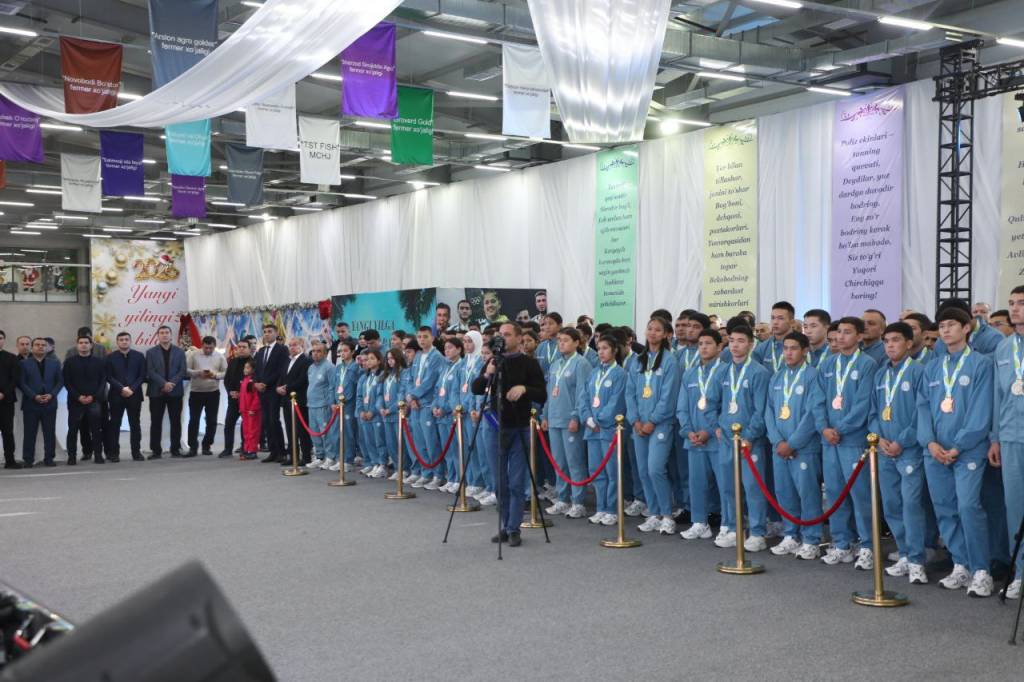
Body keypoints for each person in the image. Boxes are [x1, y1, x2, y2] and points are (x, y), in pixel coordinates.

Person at [918, 306, 994, 597]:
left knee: (968, 507)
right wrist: (930, 442)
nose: (946, 330)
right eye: (942, 326)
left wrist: (958, 445)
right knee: (945, 508)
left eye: (952, 324)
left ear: (966, 328)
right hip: (936, 451)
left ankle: (982, 570)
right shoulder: (933, 367)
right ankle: (961, 564)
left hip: (967, 451)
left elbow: (981, 410)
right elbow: (923, 408)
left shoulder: (981, 364)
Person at [471, 322, 546, 547]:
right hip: (495, 427)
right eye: (500, 335)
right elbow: (476, 388)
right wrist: (488, 374)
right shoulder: (494, 361)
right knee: (499, 482)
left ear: (519, 338)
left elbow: (541, 394)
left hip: (519, 427)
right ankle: (505, 525)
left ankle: (514, 528)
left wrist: (524, 389)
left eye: (507, 334)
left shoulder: (529, 363)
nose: (503, 338)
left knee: (516, 481)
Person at [868, 322, 928, 585]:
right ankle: (904, 553)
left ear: (909, 343)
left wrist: (902, 441)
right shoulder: (881, 375)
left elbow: (921, 414)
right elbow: (873, 412)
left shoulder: (919, 372)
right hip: (884, 450)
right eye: (886, 341)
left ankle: (917, 560)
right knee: (891, 504)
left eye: (895, 340)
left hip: (909, 451)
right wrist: (879, 438)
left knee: (911, 504)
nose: (890, 345)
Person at [817, 316, 878, 568]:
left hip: (853, 440)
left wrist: (840, 428)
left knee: (861, 495)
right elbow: (818, 400)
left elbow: (864, 403)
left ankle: (868, 545)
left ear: (860, 336)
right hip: (830, 441)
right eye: (839, 332)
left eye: (847, 332)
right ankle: (842, 543)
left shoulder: (867, 364)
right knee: (834, 493)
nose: (841, 337)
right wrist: (824, 428)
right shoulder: (827, 364)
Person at [764, 332, 825, 559]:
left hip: (803, 448)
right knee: (784, 492)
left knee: (808, 494)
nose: (788, 353)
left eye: (794, 348)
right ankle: (791, 535)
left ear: (805, 351)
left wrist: (792, 443)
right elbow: (769, 412)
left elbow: (812, 414)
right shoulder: (777, 377)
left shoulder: (813, 376)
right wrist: (777, 441)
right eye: (785, 348)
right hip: (779, 447)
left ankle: (812, 539)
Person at [711, 322, 770, 550]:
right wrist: (716, 425)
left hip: (749, 441)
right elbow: (712, 401)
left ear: (751, 344)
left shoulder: (759, 372)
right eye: (732, 341)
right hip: (727, 439)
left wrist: (750, 436)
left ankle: (757, 532)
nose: (735, 345)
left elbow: (760, 410)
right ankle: (734, 528)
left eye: (741, 341)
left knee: (752, 487)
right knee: (728, 486)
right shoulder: (722, 371)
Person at [628, 317, 681, 536]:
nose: (652, 333)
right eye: (649, 328)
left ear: (667, 334)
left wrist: (652, 421)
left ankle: (667, 515)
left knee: (655, 469)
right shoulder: (638, 360)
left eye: (658, 330)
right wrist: (635, 420)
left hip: (660, 424)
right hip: (639, 425)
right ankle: (654, 513)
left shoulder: (670, 361)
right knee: (643, 470)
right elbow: (630, 392)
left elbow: (669, 396)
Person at [990, 285, 1024, 599]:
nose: (1014, 308)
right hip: (1012, 437)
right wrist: (995, 438)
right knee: (1015, 506)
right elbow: (997, 398)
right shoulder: (1003, 348)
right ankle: (1021, 572)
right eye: (1012, 303)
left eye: (1021, 303)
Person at [677, 328, 723, 540]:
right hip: (694, 439)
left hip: (717, 439)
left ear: (719, 347)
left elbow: (726, 407)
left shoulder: (726, 371)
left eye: (708, 343)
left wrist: (709, 431)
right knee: (697, 483)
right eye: (700, 344)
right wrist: (688, 431)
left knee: (724, 484)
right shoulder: (690, 373)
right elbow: (682, 407)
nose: (703, 348)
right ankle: (699, 522)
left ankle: (729, 524)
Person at [540, 328, 591, 519]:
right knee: (559, 462)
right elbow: (549, 392)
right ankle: (563, 498)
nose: (561, 343)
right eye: (560, 340)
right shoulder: (556, 364)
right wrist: (545, 415)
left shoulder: (581, 363)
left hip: (570, 419)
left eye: (566, 340)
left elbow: (582, 393)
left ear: (577, 342)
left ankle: (578, 502)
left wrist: (576, 417)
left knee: (574, 461)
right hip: (554, 418)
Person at [578, 334, 627, 526]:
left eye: (605, 348)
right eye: (598, 348)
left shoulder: (620, 374)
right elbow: (583, 397)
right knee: (596, 470)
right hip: (592, 430)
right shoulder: (594, 373)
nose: (601, 352)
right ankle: (601, 508)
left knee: (612, 471)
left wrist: (599, 420)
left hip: (609, 431)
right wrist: (588, 418)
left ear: (614, 350)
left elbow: (617, 402)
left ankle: (612, 509)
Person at [407, 327, 445, 489]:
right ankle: (425, 472)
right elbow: (410, 378)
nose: (422, 340)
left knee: (431, 441)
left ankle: (438, 474)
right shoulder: (418, 356)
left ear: (432, 338)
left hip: (427, 404)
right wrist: (411, 396)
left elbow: (430, 381)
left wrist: (414, 395)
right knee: (419, 441)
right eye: (419, 337)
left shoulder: (437, 357)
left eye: (425, 336)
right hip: (415, 403)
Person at [63, 335, 107, 465]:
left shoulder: (99, 362)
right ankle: (72, 457)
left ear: (91, 345)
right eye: (81, 342)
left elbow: (102, 381)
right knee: (73, 430)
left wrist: (94, 396)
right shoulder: (70, 362)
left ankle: (98, 455)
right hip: (75, 401)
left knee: (96, 430)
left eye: (86, 342)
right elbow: (67, 382)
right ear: (77, 345)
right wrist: (78, 396)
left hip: (94, 401)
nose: (83, 345)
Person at [18, 338, 62, 468]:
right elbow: (21, 383)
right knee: (29, 433)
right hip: (31, 404)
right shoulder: (23, 364)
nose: (41, 347)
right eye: (37, 345)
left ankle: (49, 458)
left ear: (48, 348)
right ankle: (28, 459)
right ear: (32, 348)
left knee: (49, 432)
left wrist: (52, 394)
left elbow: (60, 381)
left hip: (49, 403)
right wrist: (34, 396)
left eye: (43, 345)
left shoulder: (55, 363)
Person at [145, 325, 186, 459]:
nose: (164, 335)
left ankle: (175, 449)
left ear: (171, 335)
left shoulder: (180, 352)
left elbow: (182, 371)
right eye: (161, 333)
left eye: (167, 332)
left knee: (176, 421)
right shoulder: (151, 352)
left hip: (175, 391)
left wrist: (171, 384)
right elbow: (150, 371)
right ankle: (156, 450)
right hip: (156, 391)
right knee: (156, 421)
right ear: (157, 336)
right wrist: (164, 383)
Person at [105, 332, 146, 462]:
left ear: (130, 341)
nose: (124, 341)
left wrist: (131, 389)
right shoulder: (110, 357)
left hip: (134, 395)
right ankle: (114, 453)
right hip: (116, 395)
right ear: (117, 342)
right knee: (115, 424)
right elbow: (108, 376)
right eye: (121, 340)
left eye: (126, 339)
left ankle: (136, 452)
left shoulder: (139, 356)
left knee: (135, 424)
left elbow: (142, 376)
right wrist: (121, 388)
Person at [431, 338, 464, 491]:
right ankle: (451, 477)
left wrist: (445, 408)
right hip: (441, 415)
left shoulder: (460, 367)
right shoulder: (445, 367)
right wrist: (434, 406)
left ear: (459, 349)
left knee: (456, 449)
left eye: (450, 347)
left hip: (451, 414)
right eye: (445, 348)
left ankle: (459, 479)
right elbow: (438, 389)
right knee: (447, 449)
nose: (447, 351)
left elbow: (455, 393)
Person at [185, 336, 226, 457]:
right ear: (202, 345)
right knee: (194, 420)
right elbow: (186, 370)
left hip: (213, 392)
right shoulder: (194, 355)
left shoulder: (220, 356)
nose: (208, 350)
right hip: (196, 392)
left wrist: (215, 375)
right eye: (206, 348)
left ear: (214, 346)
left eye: (211, 348)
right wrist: (198, 373)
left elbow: (226, 372)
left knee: (212, 421)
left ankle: (206, 445)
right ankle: (193, 447)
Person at [253, 324, 288, 463]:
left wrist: (266, 383)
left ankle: (281, 451)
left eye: (269, 331)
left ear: (276, 333)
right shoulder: (261, 351)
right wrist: (256, 383)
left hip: (273, 390)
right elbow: (256, 370)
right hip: (262, 391)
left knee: (274, 420)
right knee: (266, 421)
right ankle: (273, 451)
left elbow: (281, 370)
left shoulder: (282, 349)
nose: (267, 334)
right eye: (265, 332)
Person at [304, 340, 339, 469]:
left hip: (323, 405)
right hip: (311, 404)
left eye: (319, 351)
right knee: (314, 432)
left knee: (326, 433)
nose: (315, 353)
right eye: (313, 351)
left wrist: (331, 403)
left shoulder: (330, 367)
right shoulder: (311, 368)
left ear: (325, 353)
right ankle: (319, 456)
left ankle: (330, 457)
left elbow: (332, 387)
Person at [277, 337, 312, 465]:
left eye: (295, 345)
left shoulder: (306, 360)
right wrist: (278, 387)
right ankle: (293, 456)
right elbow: (282, 377)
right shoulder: (287, 360)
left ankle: (306, 457)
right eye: (290, 345)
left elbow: (302, 380)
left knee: (302, 430)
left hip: (299, 400)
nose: (292, 347)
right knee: (290, 429)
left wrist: (286, 388)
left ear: (302, 346)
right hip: (286, 400)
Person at [357, 349, 387, 477]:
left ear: (379, 361)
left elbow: (381, 396)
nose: (368, 361)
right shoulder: (365, 377)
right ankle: (375, 463)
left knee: (379, 440)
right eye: (367, 359)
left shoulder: (382, 376)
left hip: (376, 415)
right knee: (368, 441)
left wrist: (373, 411)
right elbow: (359, 396)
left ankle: (383, 464)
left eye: (372, 358)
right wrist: (361, 411)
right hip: (365, 414)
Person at [377, 347, 406, 479]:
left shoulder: (403, 373)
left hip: (396, 413)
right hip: (386, 414)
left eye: (392, 358)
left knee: (400, 442)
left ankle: (405, 468)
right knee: (391, 443)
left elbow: (402, 394)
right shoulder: (386, 375)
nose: (390, 361)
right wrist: (381, 407)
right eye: (388, 359)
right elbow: (379, 394)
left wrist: (392, 408)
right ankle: (396, 466)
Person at [335, 339, 361, 470]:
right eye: (341, 351)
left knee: (349, 432)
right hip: (339, 403)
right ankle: (342, 457)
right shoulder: (339, 367)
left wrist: (346, 400)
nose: (343, 353)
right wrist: (334, 401)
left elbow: (356, 387)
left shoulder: (355, 367)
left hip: (350, 404)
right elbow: (335, 385)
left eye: (345, 351)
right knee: (341, 432)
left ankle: (349, 459)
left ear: (352, 352)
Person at [0, 330, 20, 469]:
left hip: (6, 401)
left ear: (4, 340)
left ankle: (10, 460)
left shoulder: (11, 358)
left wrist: (4, 393)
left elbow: (15, 379)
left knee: (7, 431)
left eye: (0, 338)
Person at [239, 360, 262, 460]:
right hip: (245, 410)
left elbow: (257, 397)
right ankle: (247, 449)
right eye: (245, 367)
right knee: (246, 431)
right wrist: (241, 408)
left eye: (248, 368)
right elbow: (242, 396)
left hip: (252, 411)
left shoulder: (254, 381)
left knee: (253, 431)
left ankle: (253, 450)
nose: (245, 369)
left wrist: (253, 408)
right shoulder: (245, 380)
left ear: (253, 370)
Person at [535, 313, 563, 378]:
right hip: (543, 383)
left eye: (550, 323)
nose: (547, 327)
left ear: (559, 326)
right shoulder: (541, 346)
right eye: (545, 324)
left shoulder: (564, 344)